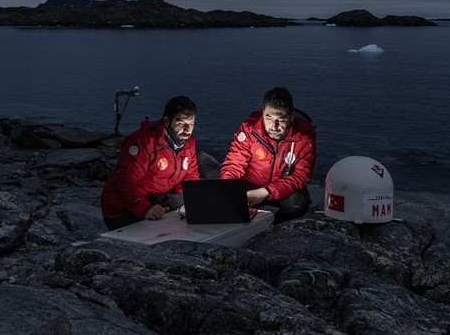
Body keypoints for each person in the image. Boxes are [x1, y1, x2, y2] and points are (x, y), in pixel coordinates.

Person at [101, 94, 201, 230]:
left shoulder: (188, 144)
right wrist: (144, 208)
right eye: (180, 123)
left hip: (160, 204)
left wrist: (179, 195)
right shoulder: (144, 142)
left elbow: (191, 174)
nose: (187, 130)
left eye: (191, 124)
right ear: (166, 121)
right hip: (124, 211)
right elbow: (124, 180)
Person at [219, 86, 316, 223]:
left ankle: (274, 229)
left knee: (297, 203)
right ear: (262, 112)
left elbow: (301, 176)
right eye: (268, 117)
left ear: (291, 116)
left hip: (282, 188)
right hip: (250, 186)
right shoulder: (249, 130)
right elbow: (234, 164)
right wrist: (228, 188)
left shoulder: (304, 136)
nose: (274, 126)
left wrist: (266, 191)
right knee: (229, 197)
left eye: (280, 119)